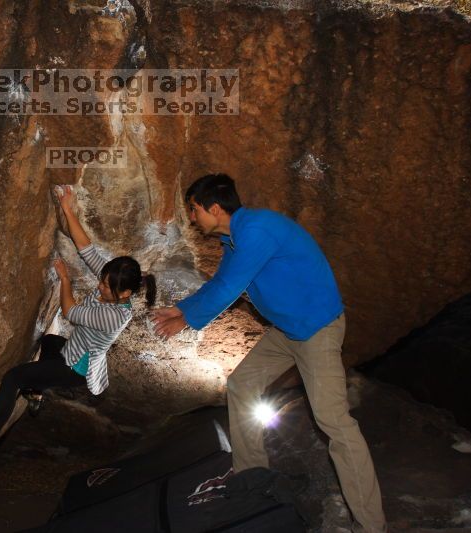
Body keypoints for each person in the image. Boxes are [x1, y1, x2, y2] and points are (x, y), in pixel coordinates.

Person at [151, 174, 386, 532]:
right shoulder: (234, 239)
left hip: (317, 330)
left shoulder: (257, 230)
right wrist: (180, 309)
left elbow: (231, 288)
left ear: (215, 208)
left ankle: (371, 525)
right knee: (242, 384)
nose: (193, 217)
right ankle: (253, 476)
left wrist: (187, 321)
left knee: (335, 423)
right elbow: (220, 282)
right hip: (288, 331)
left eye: (195, 209)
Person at [0, 185, 156, 463]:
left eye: (107, 286)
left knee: (13, 378)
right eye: (103, 280)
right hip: (71, 349)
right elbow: (86, 248)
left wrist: (66, 280)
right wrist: (67, 208)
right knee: (48, 341)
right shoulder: (114, 284)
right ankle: (36, 391)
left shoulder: (114, 316)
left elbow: (70, 311)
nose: (100, 286)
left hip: (74, 368)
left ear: (125, 293)